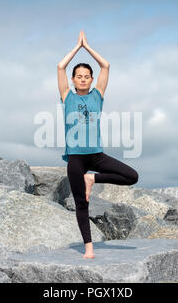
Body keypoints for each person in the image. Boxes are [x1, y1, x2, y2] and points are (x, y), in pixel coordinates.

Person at [57, 30, 139, 259]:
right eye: (79, 76)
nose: (83, 78)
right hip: (75, 158)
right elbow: (60, 67)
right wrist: (76, 48)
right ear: (73, 80)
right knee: (81, 203)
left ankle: (92, 178)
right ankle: (89, 247)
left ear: (91, 80)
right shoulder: (67, 96)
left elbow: (106, 65)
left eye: (86, 76)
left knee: (132, 176)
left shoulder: (97, 95)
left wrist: (88, 47)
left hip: (96, 155)